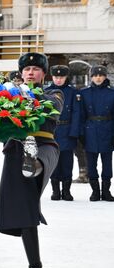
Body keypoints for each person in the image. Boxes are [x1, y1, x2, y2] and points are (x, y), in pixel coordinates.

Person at [0, 52, 63, 268]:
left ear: (44, 73)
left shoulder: (54, 93)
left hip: (44, 145)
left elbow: (53, 106)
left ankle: (33, 164)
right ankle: (35, 265)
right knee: (25, 208)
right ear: (21, 73)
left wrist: (27, 96)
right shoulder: (8, 95)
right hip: (16, 149)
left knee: (36, 164)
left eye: (35, 69)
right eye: (26, 70)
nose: (31, 72)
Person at [79, 65, 114, 202]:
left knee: (107, 163)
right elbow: (81, 115)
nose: (98, 77)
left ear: (105, 76)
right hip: (90, 131)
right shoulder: (84, 93)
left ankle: (106, 191)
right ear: (91, 77)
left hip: (108, 130)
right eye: (95, 75)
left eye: (101, 75)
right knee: (91, 164)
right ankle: (94, 191)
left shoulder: (112, 93)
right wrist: (81, 134)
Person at [45, 65, 80, 201]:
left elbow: (77, 113)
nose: (58, 80)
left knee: (67, 162)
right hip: (52, 131)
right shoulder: (47, 91)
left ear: (66, 77)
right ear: (52, 77)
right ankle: (55, 191)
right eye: (56, 77)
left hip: (67, 130)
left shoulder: (73, 93)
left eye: (61, 77)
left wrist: (74, 132)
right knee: (54, 162)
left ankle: (66, 191)